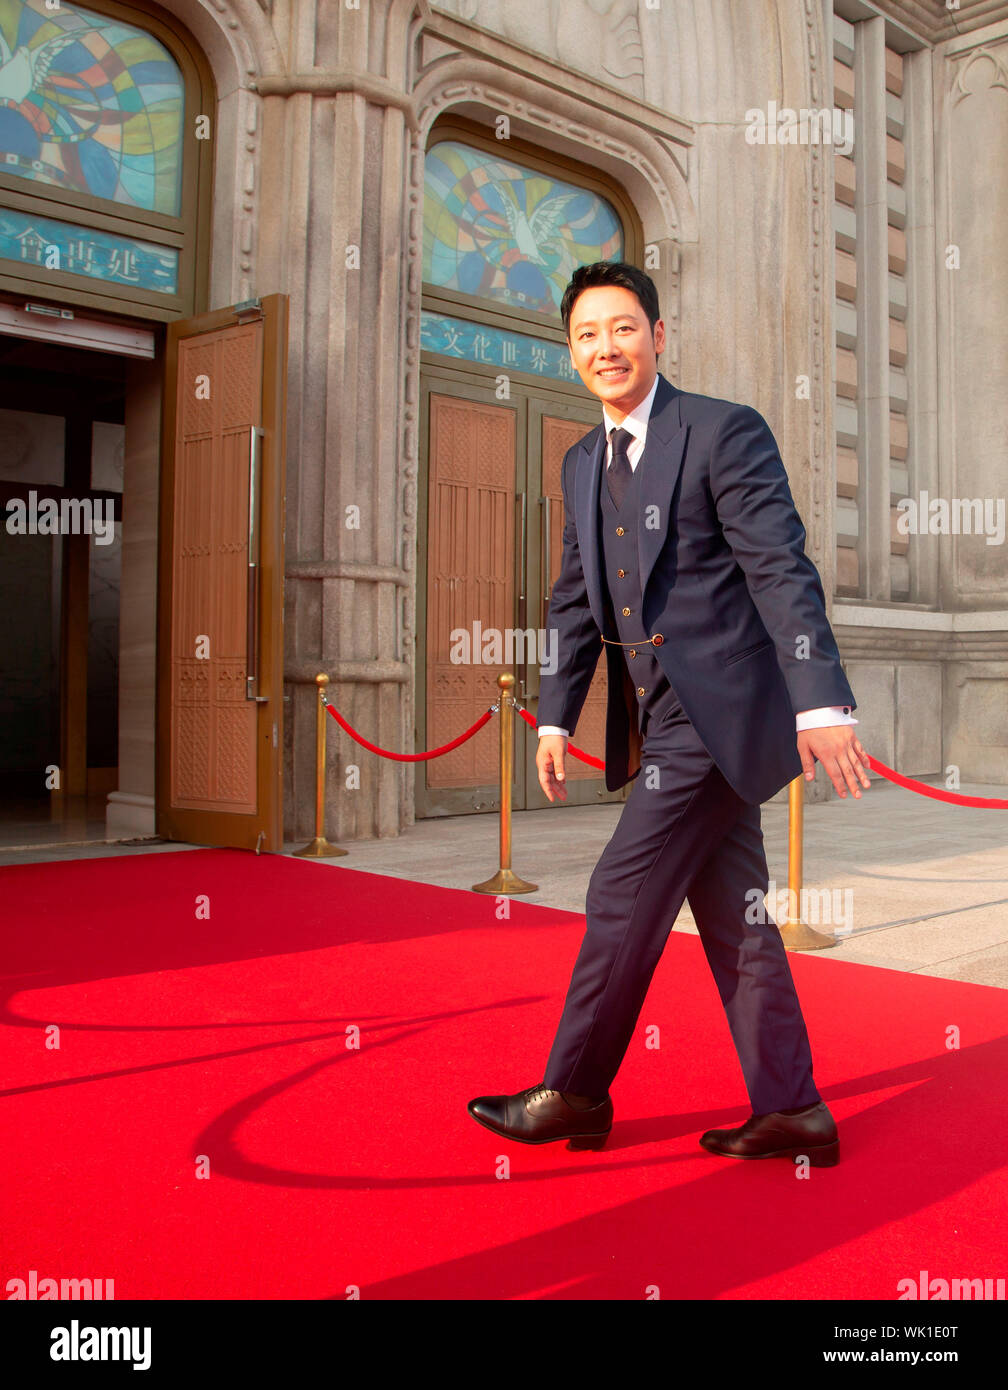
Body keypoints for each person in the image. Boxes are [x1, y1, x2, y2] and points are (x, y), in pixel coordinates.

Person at [467, 261, 870, 1165]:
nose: (605, 347)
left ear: (657, 333)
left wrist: (820, 700)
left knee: (620, 889)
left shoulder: (723, 432)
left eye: (622, 328)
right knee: (739, 922)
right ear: (569, 352)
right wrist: (553, 717)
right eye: (585, 335)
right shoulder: (581, 463)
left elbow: (780, 568)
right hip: (657, 719)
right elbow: (574, 599)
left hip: (718, 713)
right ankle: (793, 1109)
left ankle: (574, 1091)